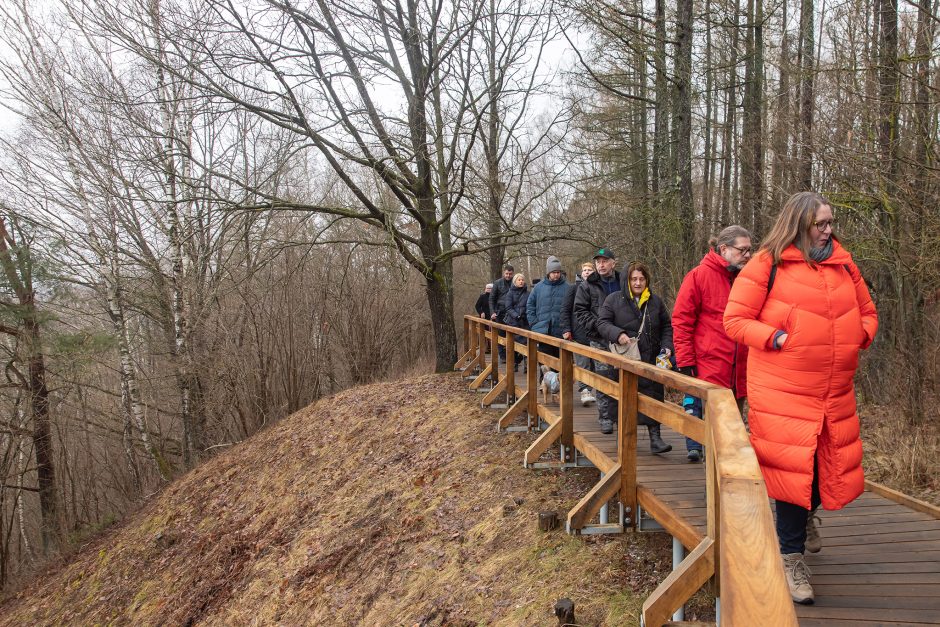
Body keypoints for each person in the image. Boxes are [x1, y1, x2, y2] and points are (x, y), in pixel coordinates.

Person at [723, 192, 877, 605]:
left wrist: (856, 337)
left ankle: (807, 517)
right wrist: (777, 337)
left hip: (833, 390)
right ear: (798, 224)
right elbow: (735, 320)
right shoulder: (767, 264)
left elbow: (868, 313)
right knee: (793, 472)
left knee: (824, 468)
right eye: (820, 224)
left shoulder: (843, 263)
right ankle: (790, 558)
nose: (828, 230)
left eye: (830, 222)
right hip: (783, 390)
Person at [672, 225, 752, 462]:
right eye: (743, 250)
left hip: (741, 371)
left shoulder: (747, 278)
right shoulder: (698, 276)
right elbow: (681, 321)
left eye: (750, 250)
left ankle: (731, 491)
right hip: (711, 369)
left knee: (735, 436)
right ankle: (715, 493)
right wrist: (686, 362)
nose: (748, 255)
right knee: (717, 437)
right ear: (724, 248)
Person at [596, 261, 674, 454]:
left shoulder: (655, 301)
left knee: (654, 397)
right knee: (623, 398)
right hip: (625, 359)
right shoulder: (614, 299)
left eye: (641, 279)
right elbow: (602, 323)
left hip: (650, 357)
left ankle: (656, 438)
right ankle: (623, 437)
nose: (638, 283)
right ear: (627, 280)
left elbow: (666, 327)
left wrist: (667, 346)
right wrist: (618, 334)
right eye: (634, 279)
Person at [573, 248, 622, 433]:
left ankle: (620, 414)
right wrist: (598, 326)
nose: (601, 265)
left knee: (622, 378)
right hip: (598, 339)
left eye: (604, 261)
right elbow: (580, 311)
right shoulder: (587, 286)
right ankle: (606, 418)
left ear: (613, 262)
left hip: (622, 339)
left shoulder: (623, 281)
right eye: (598, 262)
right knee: (603, 377)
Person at [562, 262, 597, 406]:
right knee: (582, 363)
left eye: (590, 270)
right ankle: (585, 390)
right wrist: (566, 329)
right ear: (581, 273)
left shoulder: (598, 287)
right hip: (578, 333)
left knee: (595, 365)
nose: (587, 272)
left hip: (596, 333)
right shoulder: (573, 288)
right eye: (585, 270)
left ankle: (593, 390)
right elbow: (565, 309)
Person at [526, 256, 569, 359]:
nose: (556, 274)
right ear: (549, 272)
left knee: (560, 361)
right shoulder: (538, 287)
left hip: (560, 330)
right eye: (554, 272)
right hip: (542, 329)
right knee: (544, 359)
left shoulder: (568, 287)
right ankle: (543, 375)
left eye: (558, 272)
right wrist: (534, 323)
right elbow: (530, 305)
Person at [500, 273, 530, 366]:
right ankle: (514, 363)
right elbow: (508, 308)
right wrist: (516, 315)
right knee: (513, 343)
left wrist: (527, 315)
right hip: (513, 322)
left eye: (522, 280)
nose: (521, 282)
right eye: (519, 280)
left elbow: (530, 306)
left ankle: (526, 365)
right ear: (515, 281)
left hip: (525, 322)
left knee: (526, 343)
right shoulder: (510, 293)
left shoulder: (528, 293)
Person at [490, 264, 514, 362]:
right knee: (500, 334)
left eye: (510, 274)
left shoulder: (515, 282)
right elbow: (491, 299)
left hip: (512, 312)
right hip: (500, 312)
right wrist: (492, 312)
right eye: (507, 273)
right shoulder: (497, 283)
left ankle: (512, 356)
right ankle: (502, 355)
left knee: (512, 334)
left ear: (513, 274)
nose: (508, 275)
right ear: (504, 273)